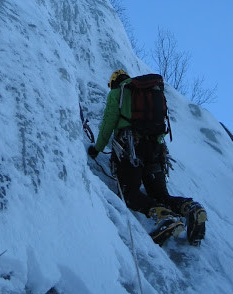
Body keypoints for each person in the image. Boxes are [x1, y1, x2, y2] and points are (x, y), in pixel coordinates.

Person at [88, 69, 207, 246]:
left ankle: (165, 218)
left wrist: (96, 149)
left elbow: (108, 124)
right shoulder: (149, 93)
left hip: (131, 148)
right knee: (160, 194)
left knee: (130, 194)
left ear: (113, 83)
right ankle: (191, 208)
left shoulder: (117, 93)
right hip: (156, 149)